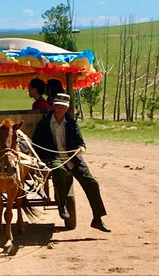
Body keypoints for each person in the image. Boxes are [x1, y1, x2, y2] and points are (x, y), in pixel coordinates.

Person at [33, 92, 110, 232]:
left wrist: (81, 148)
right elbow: (36, 144)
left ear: (66, 108)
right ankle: (62, 205)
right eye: (58, 106)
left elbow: (80, 142)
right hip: (53, 159)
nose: (60, 109)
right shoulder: (43, 124)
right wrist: (45, 157)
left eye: (63, 107)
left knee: (92, 182)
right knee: (59, 171)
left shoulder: (71, 123)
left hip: (72, 159)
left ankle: (97, 219)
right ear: (54, 106)